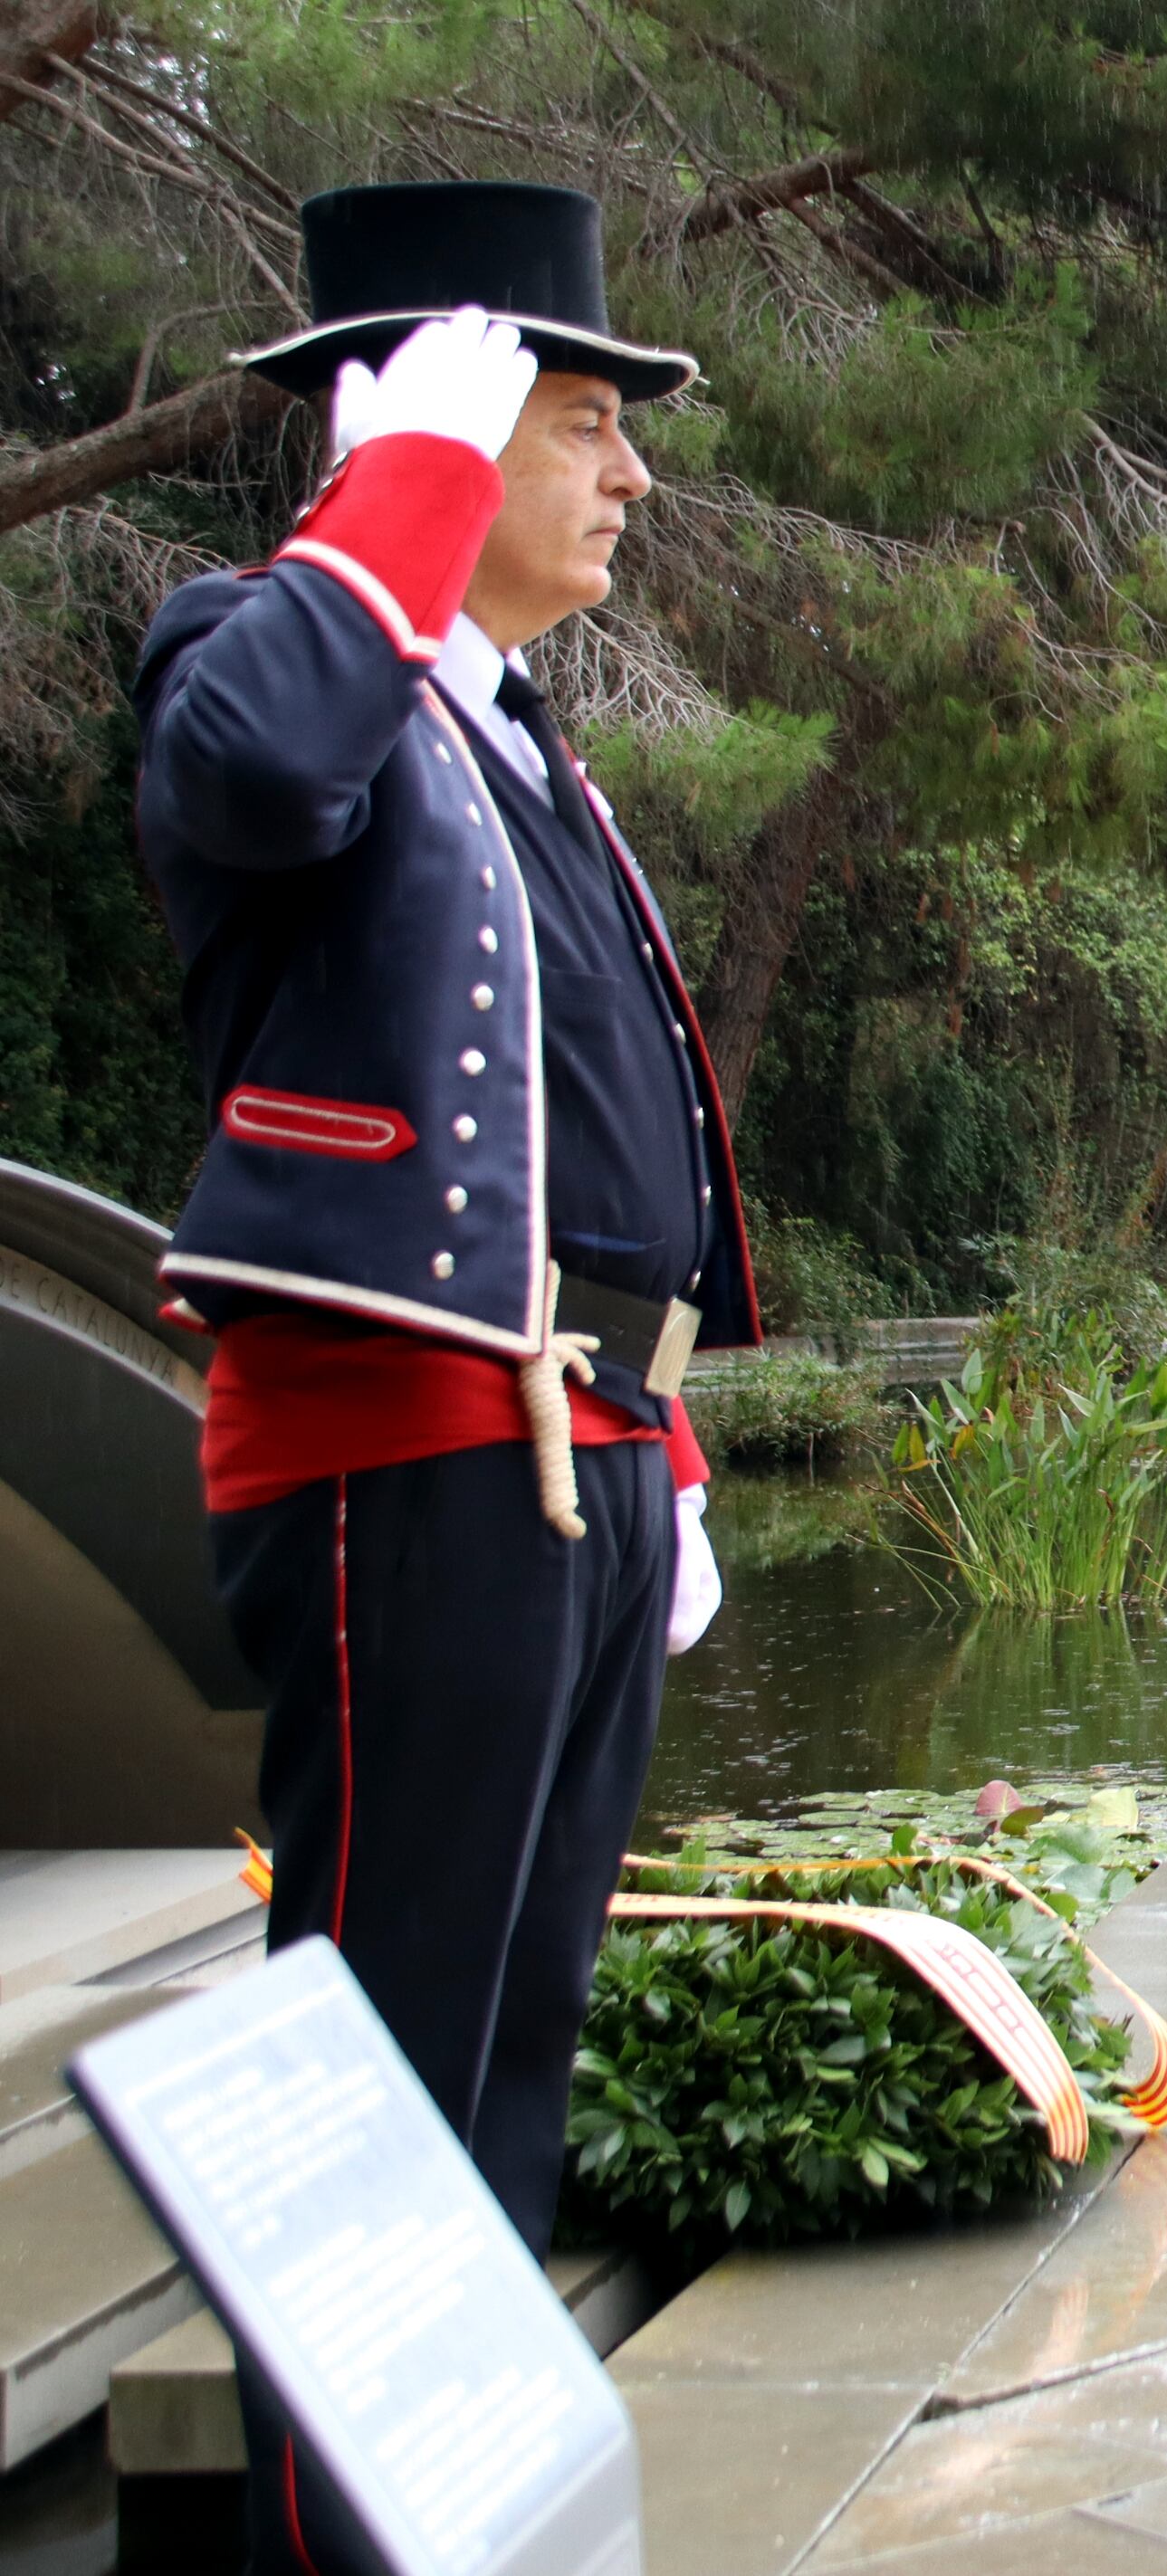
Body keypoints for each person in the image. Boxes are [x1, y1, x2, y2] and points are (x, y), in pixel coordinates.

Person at [132, 183, 751, 2569]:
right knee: (388, 2085)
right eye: (578, 421)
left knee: (510, 2052)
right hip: (408, 1454)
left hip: (573, 1462)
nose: (631, 477)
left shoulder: (518, 746)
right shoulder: (271, 657)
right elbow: (259, 782)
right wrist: (385, 483)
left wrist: (661, 1428)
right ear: (439, 419)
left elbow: (602, 1159)